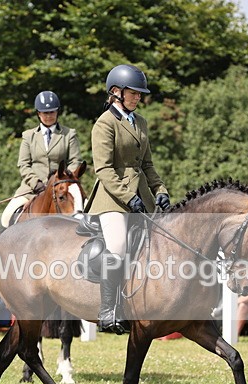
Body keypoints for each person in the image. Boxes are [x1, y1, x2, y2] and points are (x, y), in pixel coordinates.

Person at [85, 64, 170, 334]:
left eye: (139, 94)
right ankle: (108, 311)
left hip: (140, 197)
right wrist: (127, 196)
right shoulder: (104, 123)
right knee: (118, 245)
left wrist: (161, 190)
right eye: (133, 93)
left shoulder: (140, 122)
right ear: (115, 92)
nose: (138, 98)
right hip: (111, 199)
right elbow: (104, 170)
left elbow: (147, 164)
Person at [1, 91, 84, 228]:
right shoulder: (28, 136)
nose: (48, 116)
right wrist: (36, 183)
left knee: (84, 211)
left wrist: (64, 178)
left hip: (62, 188)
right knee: (6, 217)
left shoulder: (69, 134)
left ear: (58, 112)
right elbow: (23, 164)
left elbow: (76, 161)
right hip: (32, 189)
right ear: (38, 114)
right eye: (45, 113)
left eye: (52, 112)